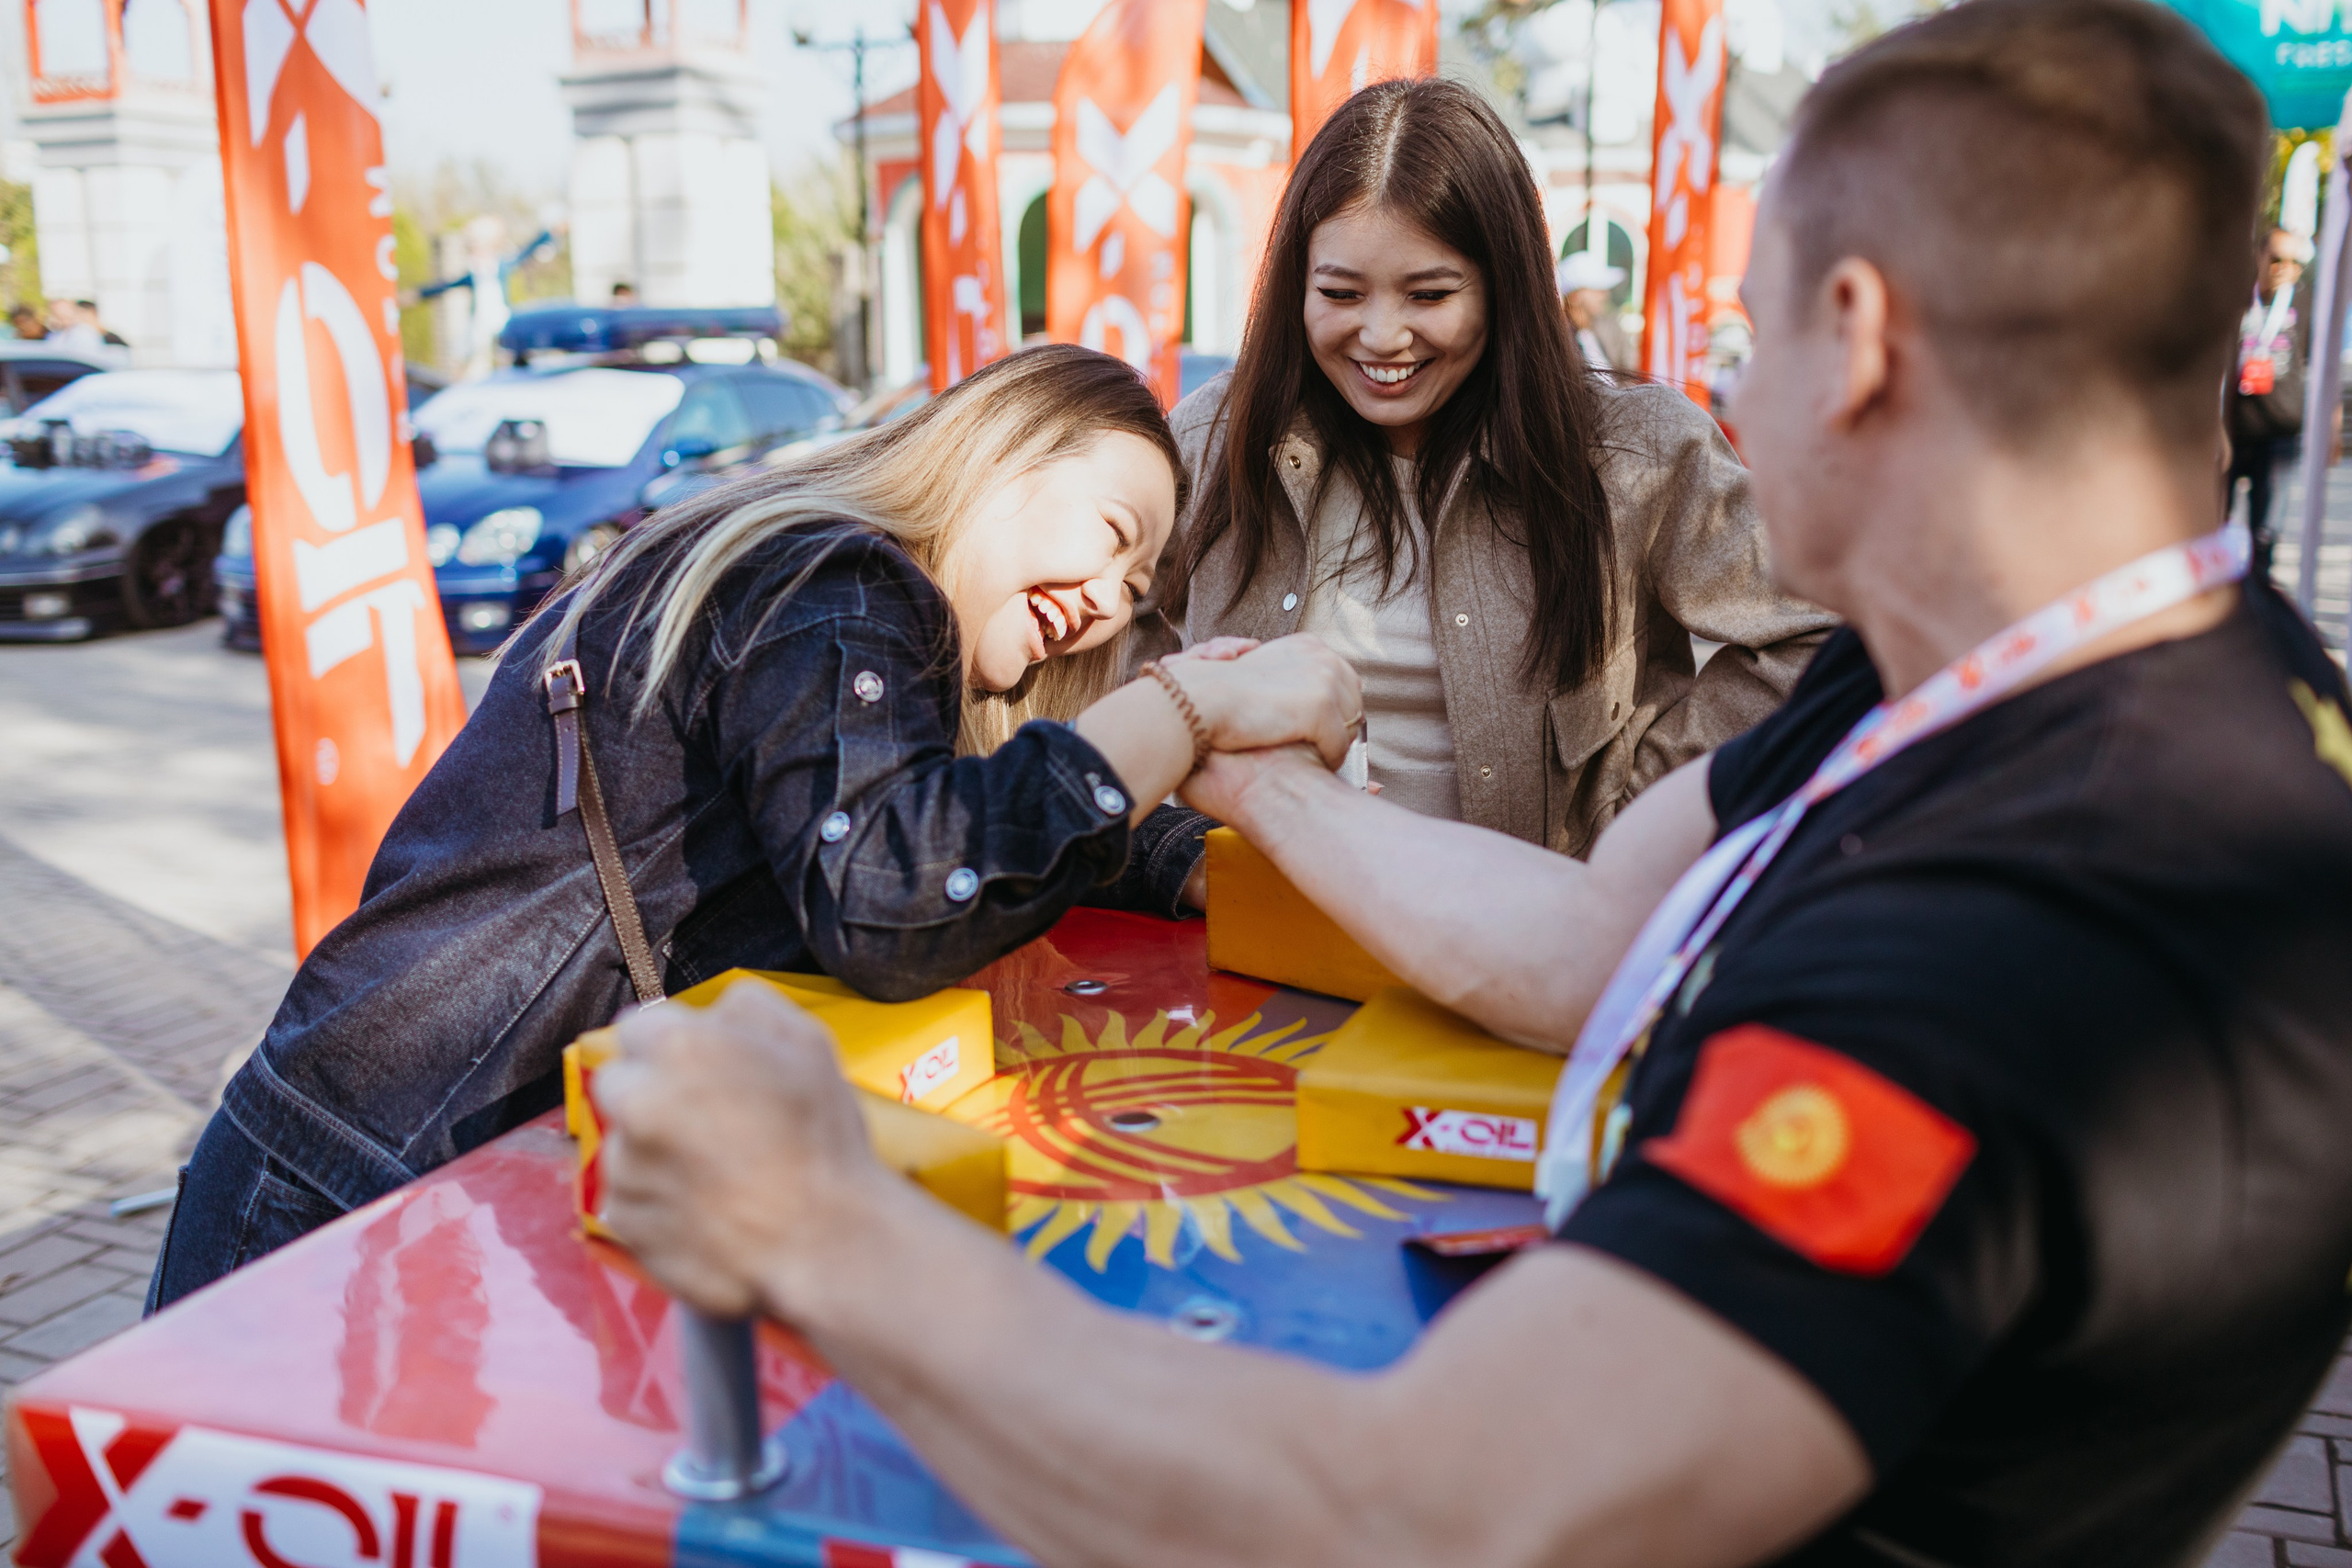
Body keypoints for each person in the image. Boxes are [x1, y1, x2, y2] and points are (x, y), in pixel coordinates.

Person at [593, 4, 2352, 1564]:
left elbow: (1420, 1512)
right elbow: (1598, 935)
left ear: (1861, 334)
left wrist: (818, 1223)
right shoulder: (2055, 676)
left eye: (1747, 339)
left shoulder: (2036, 910)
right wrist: (1247, 764)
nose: (1728, 401)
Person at [148, 344, 1362, 1310]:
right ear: (1002, 454)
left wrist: (1192, 858)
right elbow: (895, 894)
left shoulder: (862, 624)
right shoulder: (833, 583)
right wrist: (1180, 708)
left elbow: (973, 820)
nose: (1104, 605)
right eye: (1111, 537)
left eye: (1134, 596)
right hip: (355, 1170)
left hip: (465, 1163)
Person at [1117, 79, 1834, 917]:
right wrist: (1182, 825)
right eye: (1341, 294)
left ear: (1502, 284)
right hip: (1259, 937)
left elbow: (1815, 630)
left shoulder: (1633, 452)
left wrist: (1645, 817)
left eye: (1429, 295)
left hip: (1539, 941)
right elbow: (1111, 626)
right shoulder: (1218, 435)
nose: (1382, 336)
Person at [2225, 226, 2313, 577]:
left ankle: (2259, 589)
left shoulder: (2306, 302)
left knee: (2265, 532)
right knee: (2215, 523)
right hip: (2234, 427)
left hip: (2279, 431)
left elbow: (2321, 364)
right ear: (2260, 256)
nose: (2284, 269)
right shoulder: (2236, 298)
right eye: (2277, 259)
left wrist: (2332, 422)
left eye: (2294, 263)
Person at [1557, 248, 1633, 376]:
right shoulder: (1562, 341)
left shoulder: (1595, 332)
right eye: (1598, 289)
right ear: (1575, 296)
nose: (1606, 295)